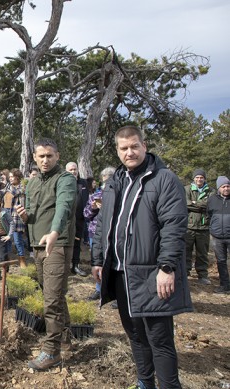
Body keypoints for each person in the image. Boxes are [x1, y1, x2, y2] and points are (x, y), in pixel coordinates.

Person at [92, 125, 192, 388]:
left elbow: (174, 225)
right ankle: (144, 382)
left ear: (144, 145)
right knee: (135, 334)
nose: (130, 152)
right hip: (121, 273)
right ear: (117, 150)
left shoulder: (163, 179)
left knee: (159, 339)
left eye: (134, 146)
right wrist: (98, 259)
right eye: (124, 148)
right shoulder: (115, 182)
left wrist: (167, 267)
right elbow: (104, 223)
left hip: (151, 274)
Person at [14, 138, 77, 371]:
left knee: (51, 299)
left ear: (57, 156)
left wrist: (54, 232)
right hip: (38, 245)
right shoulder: (31, 183)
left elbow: (64, 207)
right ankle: (65, 336)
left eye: (50, 155)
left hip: (57, 244)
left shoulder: (66, 179)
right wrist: (24, 216)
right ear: (34, 157)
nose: (45, 160)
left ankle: (52, 351)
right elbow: (31, 214)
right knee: (52, 292)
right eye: (41, 156)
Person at [83, 166, 115, 301]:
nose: (105, 184)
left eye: (109, 181)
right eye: (104, 181)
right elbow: (85, 214)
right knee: (98, 261)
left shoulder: (120, 194)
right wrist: (93, 208)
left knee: (114, 262)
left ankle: (116, 293)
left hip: (114, 233)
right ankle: (99, 288)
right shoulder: (96, 195)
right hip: (95, 233)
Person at [185, 169, 211, 284]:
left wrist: (194, 203)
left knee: (202, 253)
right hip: (188, 226)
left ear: (204, 179)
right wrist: (198, 205)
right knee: (186, 251)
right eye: (197, 177)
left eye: (201, 177)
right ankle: (185, 273)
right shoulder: (186, 189)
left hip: (204, 227)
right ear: (194, 178)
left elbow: (208, 204)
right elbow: (185, 203)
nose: (199, 179)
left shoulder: (211, 191)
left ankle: (203, 276)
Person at [65, 162, 89, 277]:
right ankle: (64, 266)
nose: (73, 171)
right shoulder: (63, 183)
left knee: (77, 243)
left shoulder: (83, 182)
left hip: (80, 219)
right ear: (66, 171)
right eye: (70, 170)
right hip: (67, 219)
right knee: (65, 242)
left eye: (75, 169)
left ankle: (75, 266)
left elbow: (86, 199)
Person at [0, 169, 27, 267]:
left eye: (12, 177)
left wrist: (7, 186)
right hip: (6, 214)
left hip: (16, 215)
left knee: (17, 239)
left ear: (17, 177)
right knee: (7, 239)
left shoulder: (22, 187)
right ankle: (9, 259)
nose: (10, 179)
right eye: (9, 177)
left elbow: (15, 192)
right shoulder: (7, 186)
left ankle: (22, 259)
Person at [208, 176, 230, 294]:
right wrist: (212, 229)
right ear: (219, 188)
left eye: (228, 186)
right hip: (217, 236)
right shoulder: (212, 199)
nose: (226, 188)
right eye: (224, 186)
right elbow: (209, 215)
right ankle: (224, 285)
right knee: (221, 261)